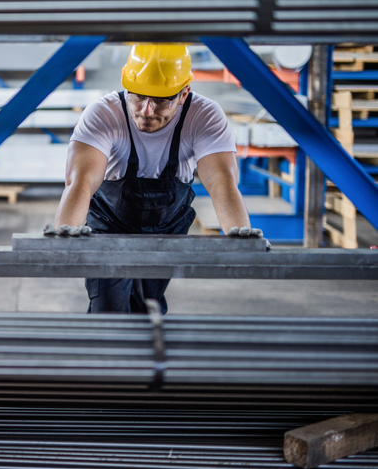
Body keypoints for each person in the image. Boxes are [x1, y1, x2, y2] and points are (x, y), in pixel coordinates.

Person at [45, 44, 267, 315]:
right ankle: (107, 355)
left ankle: (147, 355)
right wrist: (66, 229)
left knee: (149, 308)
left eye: (162, 100)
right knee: (109, 308)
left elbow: (221, 180)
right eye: (138, 96)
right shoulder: (104, 113)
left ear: (184, 93)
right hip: (110, 224)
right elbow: (81, 181)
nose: (147, 110)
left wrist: (238, 232)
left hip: (166, 227)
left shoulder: (204, 116)